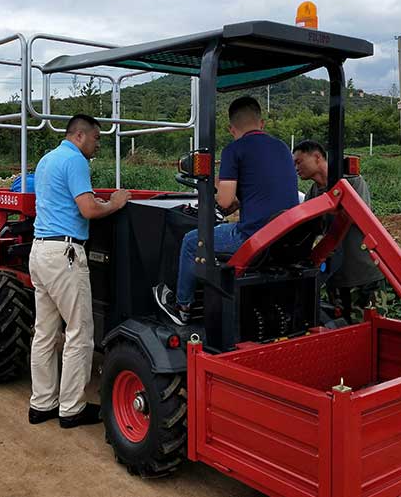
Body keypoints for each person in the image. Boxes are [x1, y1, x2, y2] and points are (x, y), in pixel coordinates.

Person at [154, 96, 298, 326]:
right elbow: (256, 192)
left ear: (231, 129)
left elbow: (225, 199)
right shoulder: (281, 147)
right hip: (287, 236)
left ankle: (182, 307)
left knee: (192, 242)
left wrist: (213, 187)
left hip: (253, 236)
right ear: (261, 124)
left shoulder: (234, 150)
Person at [28, 114, 130, 428]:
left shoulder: (48, 159)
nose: (98, 144)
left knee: (45, 333)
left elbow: (67, 202)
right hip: (65, 254)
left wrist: (95, 202)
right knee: (79, 333)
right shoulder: (75, 161)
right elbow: (87, 209)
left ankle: (42, 403)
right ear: (81, 136)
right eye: (97, 138)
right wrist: (115, 203)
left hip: (41, 249)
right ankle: (71, 408)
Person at [292, 140, 384, 322]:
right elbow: (309, 226)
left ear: (317, 157)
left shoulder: (351, 181)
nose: (296, 168)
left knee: (370, 331)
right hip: (336, 276)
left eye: (299, 162)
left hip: (362, 274)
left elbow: (351, 217)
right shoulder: (314, 192)